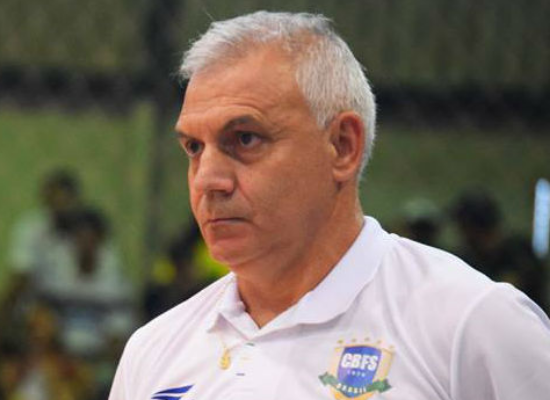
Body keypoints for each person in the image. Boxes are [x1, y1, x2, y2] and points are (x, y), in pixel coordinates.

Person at [108, 11, 550, 400]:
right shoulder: (154, 351)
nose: (207, 179)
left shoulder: (473, 325)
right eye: (193, 147)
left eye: (245, 139)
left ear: (342, 146)